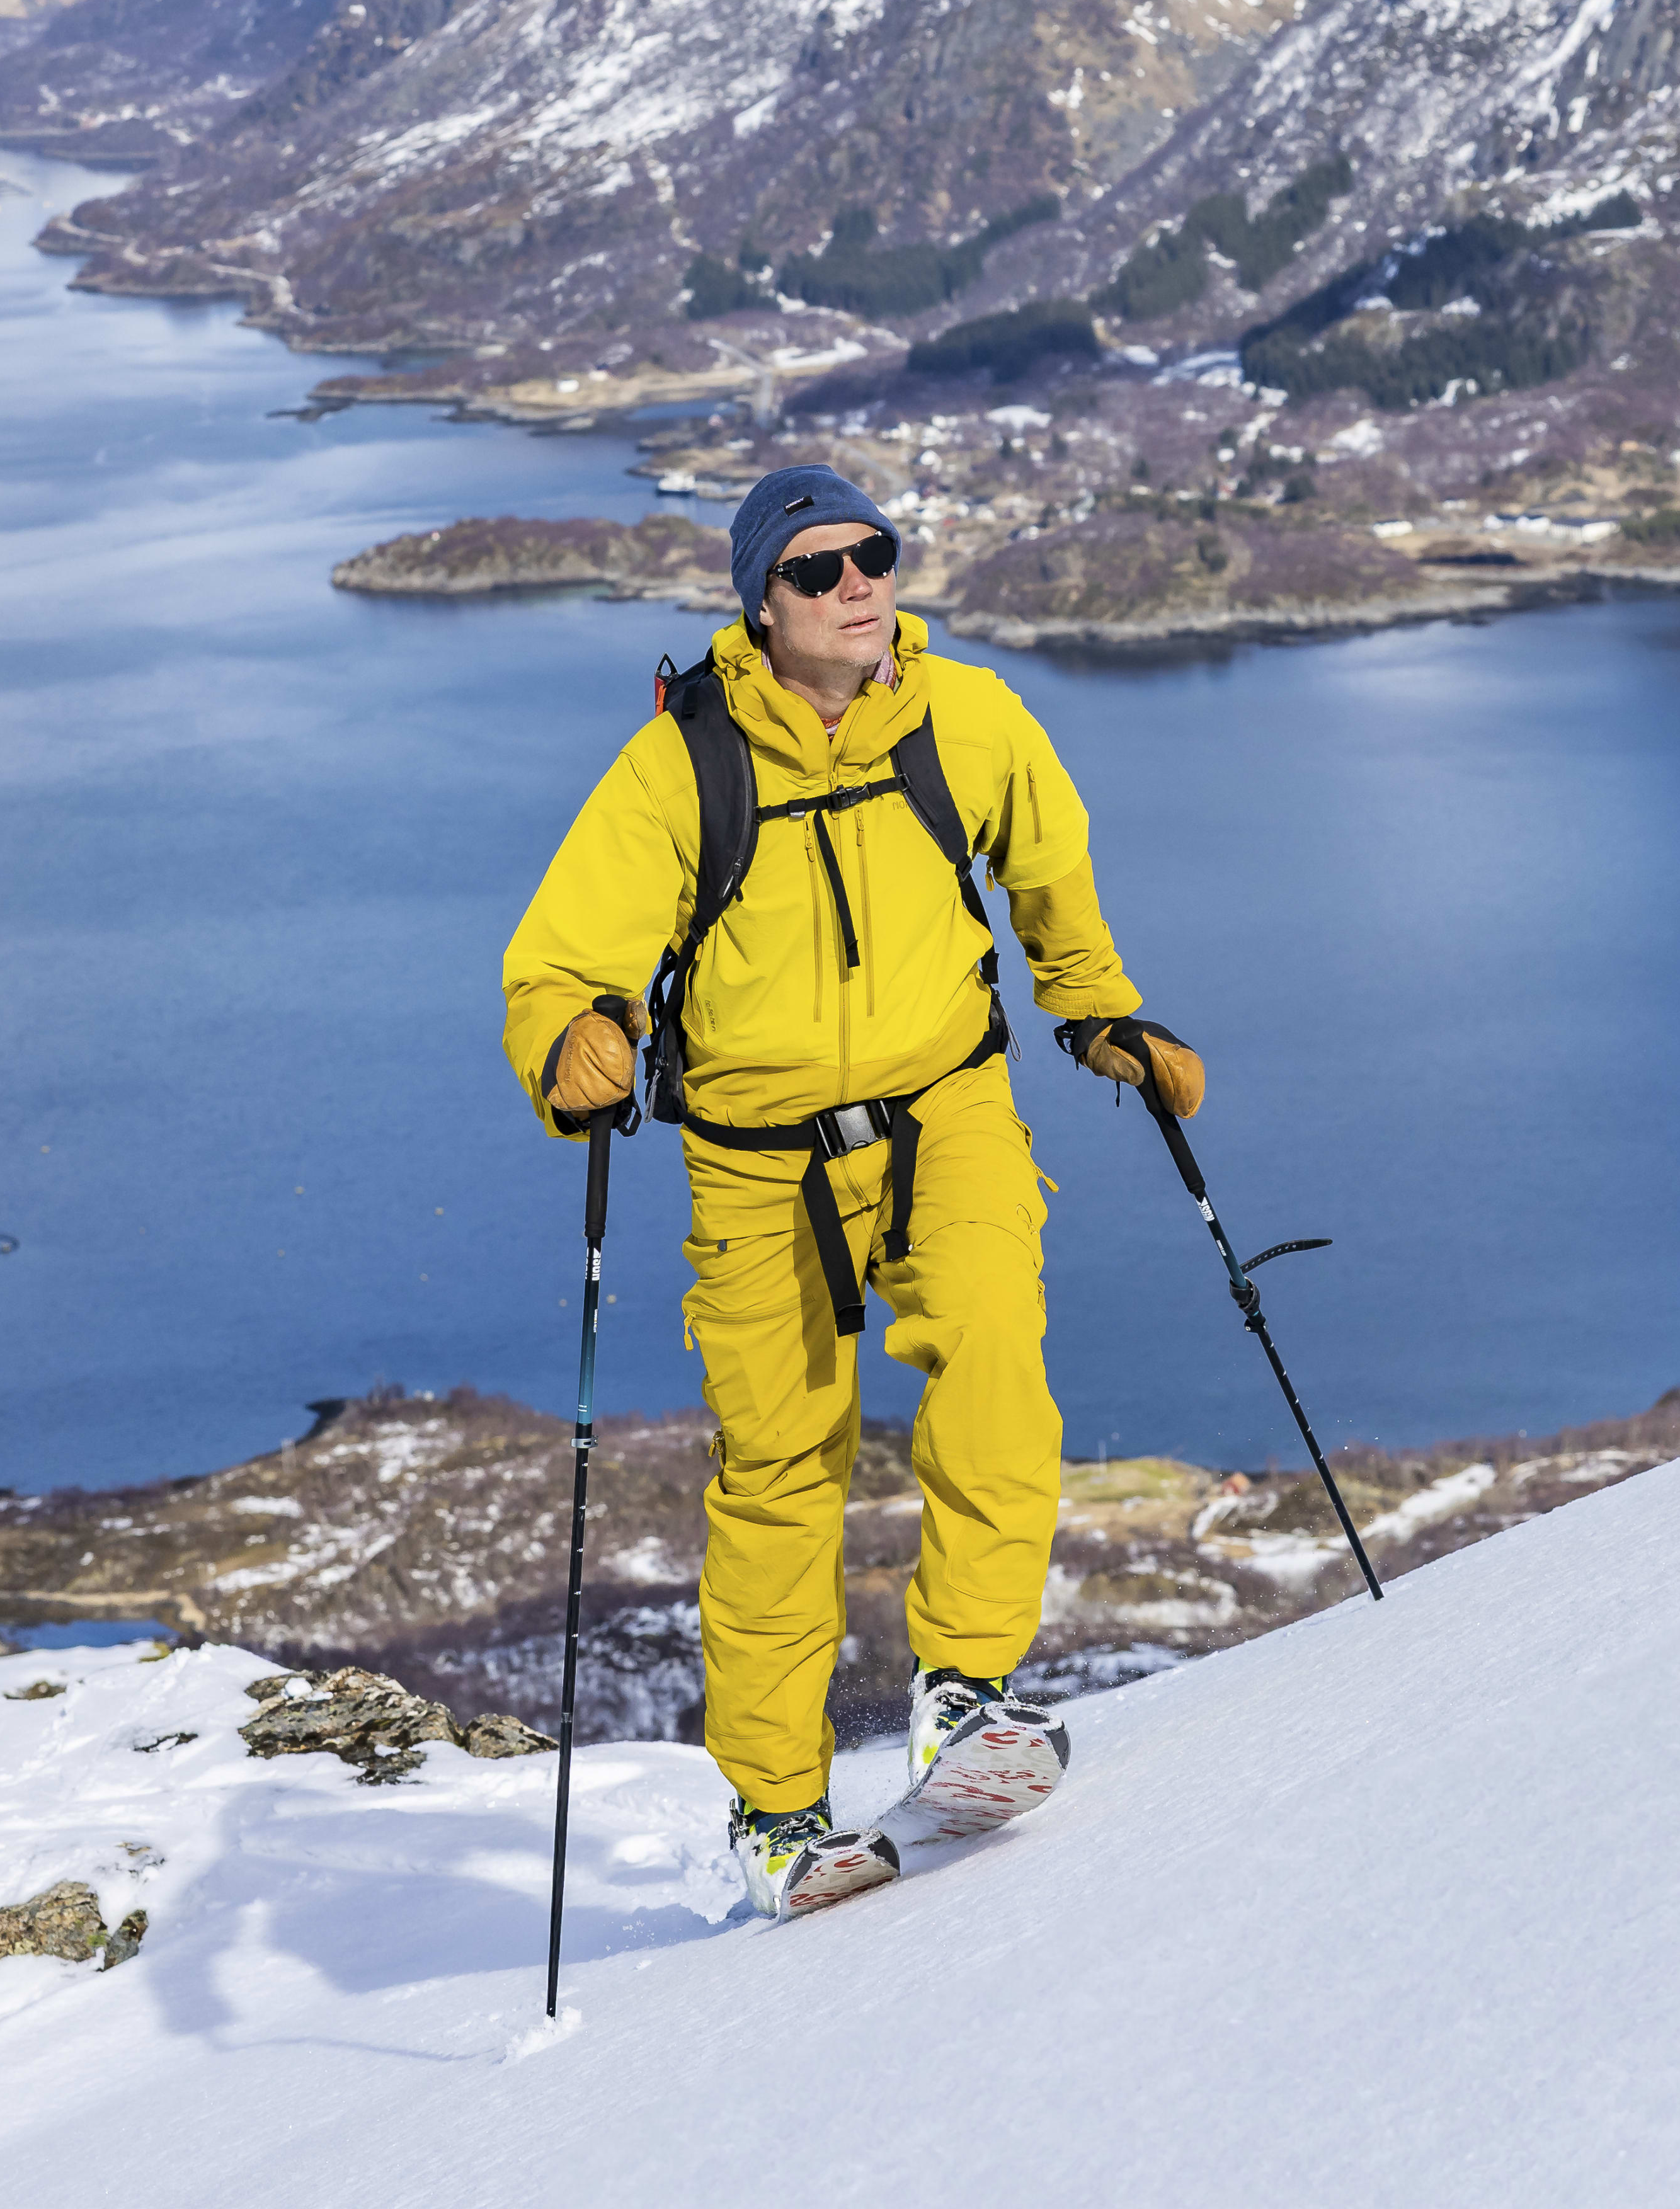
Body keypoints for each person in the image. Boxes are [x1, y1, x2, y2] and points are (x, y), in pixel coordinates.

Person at [501, 461, 1204, 1919]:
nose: (857, 586)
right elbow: (566, 949)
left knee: (995, 1340)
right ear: (761, 602)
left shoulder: (970, 719)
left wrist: (1100, 1014)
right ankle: (779, 1810)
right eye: (817, 570)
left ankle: (966, 1692)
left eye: (871, 555)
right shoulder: (682, 763)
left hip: (947, 1105)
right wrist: (570, 1035)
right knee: (778, 1474)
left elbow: (1052, 882)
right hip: (758, 1162)